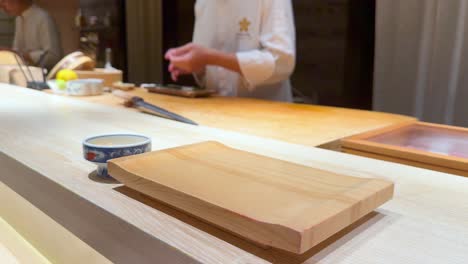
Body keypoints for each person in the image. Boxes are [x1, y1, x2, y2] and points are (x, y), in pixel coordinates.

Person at [165, 0, 296, 102]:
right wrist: (195, 66)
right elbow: (208, 76)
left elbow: (282, 62)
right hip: (216, 115)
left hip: (267, 119)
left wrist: (211, 58)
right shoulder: (203, 2)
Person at [1, 0, 62, 69]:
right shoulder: (18, 19)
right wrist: (8, 53)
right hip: (23, 73)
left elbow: (52, 56)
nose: (1, 5)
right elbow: (17, 51)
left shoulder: (43, 18)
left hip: (43, 75)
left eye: (4, 0)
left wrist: (24, 55)